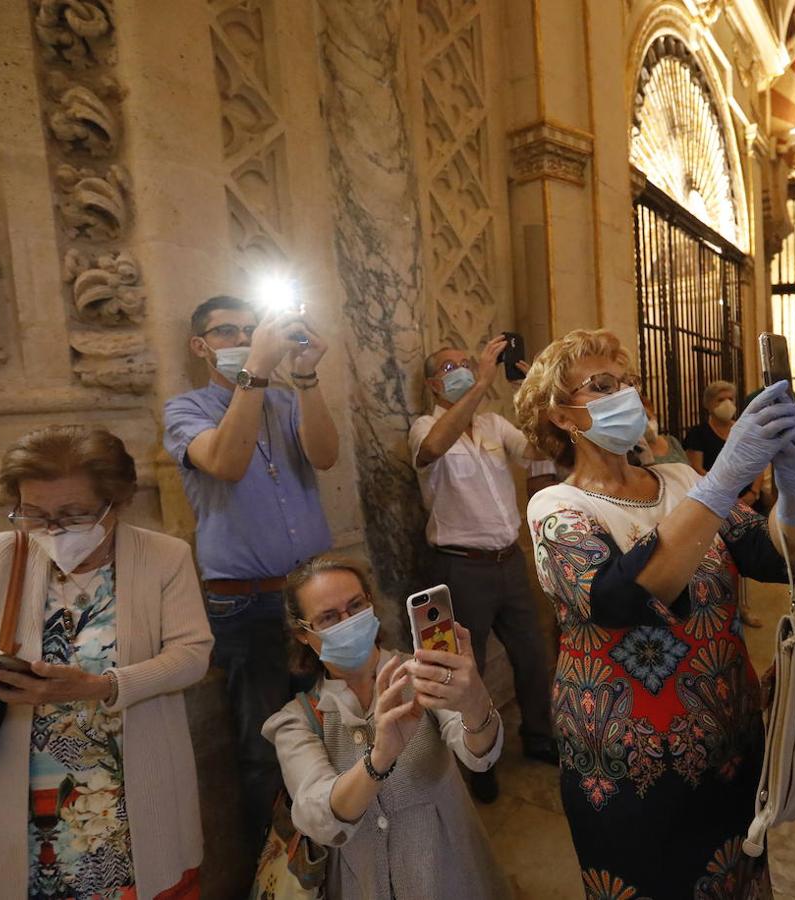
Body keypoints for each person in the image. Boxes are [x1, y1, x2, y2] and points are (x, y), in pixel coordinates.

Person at [513, 328, 795, 898]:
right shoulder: (557, 505)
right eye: (603, 385)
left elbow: (779, 557)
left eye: (630, 382)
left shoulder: (680, 481)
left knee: (735, 874)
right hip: (627, 763)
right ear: (562, 417)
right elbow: (621, 598)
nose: (626, 395)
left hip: (728, 736)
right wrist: (726, 477)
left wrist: (792, 479)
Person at [0, 426, 211, 898]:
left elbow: (191, 656)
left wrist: (98, 686)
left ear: (116, 503)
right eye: (34, 514)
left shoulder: (164, 557)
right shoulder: (2, 554)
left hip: (130, 787)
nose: (53, 530)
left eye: (74, 514)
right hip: (32, 795)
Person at [162, 294, 338, 837]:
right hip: (245, 600)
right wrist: (258, 368)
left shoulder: (286, 404)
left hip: (313, 594)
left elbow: (326, 456)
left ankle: (337, 847)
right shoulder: (184, 409)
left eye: (249, 330)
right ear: (199, 346)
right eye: (225, 333)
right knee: (264, 744)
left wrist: (305, 379)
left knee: (331, 721)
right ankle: (276, 870)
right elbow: (226, 463)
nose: (240, 341)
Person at [263, 556, 510, 899]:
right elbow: (318, 816)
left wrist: (473, 700)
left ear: (372, 605)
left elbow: (479, 753)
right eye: (330, 617)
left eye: (355, 606)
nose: (347, 621)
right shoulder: (298, 720)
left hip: (452, 876)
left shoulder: (421, 674)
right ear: (303, 634)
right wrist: (379, 758)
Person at [409, 338, 558, 803]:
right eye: (449, 367)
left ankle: (538, 737)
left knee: (532, 656)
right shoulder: (424, 427)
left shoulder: (493, 424)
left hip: (509, 561)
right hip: (460, 568)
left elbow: (538, 449)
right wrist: (483, 383)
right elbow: (433, 448)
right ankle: (480, 760)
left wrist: (536, 390)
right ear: (434, 384)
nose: (461, 371)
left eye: (466, 364)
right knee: (464, 671)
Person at [683, 379, 738, 474]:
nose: (727, 404)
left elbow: (758, 461)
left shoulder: (744, 429)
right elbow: (696, 469)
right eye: (720, 400)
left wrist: (754, 489)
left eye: (730, 399)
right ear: (708, 404)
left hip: (747, 487)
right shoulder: (697, 434)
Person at [633, 394, 688, 466]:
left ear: (655, 417)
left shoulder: (672, 441)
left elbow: (690, 469)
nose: (645, 423)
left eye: (648, 417)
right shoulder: (632, 452)